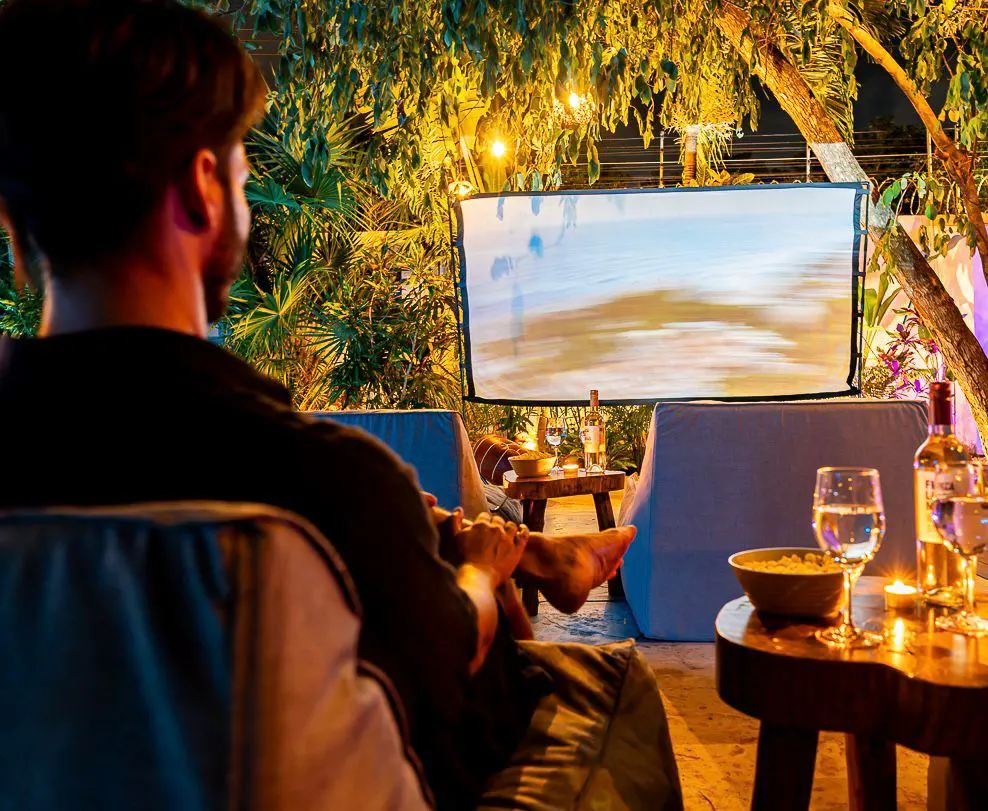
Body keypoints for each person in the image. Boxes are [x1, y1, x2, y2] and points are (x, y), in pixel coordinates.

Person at [0, 1, 635, 807]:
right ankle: (526, 558)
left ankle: (542, 558)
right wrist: (479, 575)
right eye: (239, 171)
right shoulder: (316, 486)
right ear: (201, 189)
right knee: (611, 692)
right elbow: (440, 662)